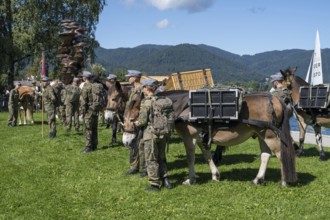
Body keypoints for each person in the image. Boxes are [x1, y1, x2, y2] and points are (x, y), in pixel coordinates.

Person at [134, 78, 172, 192]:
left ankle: (154, 184)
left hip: (150, 135)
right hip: (163, 134)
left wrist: (137, 123)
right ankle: (166, 180)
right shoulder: (162, 100)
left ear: (146, 88)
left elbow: (143, 121)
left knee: (151, 158)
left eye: (143, 88)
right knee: (162, 157)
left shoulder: (147, 102)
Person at [124, 70, 146, 176]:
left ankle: (145, 168)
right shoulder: (132, 90)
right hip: (131, 121)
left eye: (130, 76)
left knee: (142, 144)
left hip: (140, 120)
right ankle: (134, 167)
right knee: (133, 145)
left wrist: (140, 120)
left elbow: (145, 106)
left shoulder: (143, 89)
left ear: (136, 78)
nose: (128, 78)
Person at [80, 71, 99, 153]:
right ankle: (94, 145)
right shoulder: (95, 86)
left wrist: (82, 112)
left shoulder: (86, 87)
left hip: (88, 111)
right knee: (94, 128)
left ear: (84, 77)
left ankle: (88, 146)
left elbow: (84, 101)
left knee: (87, 128)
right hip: (95, 110)